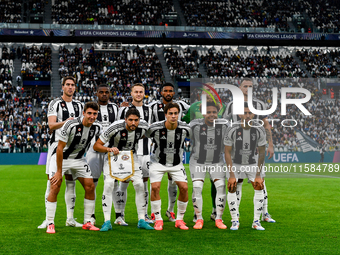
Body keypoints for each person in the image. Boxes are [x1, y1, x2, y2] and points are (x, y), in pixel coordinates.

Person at [222, 78, 275, 223]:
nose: (248, 88)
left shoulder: (259, 104)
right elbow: (224, 125)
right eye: (245, 86)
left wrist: (270, 144)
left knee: (260, 181)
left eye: (251, 86)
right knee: (236, 181)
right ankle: (236, 216)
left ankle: (265, 213)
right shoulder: (231, 105)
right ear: (239, 88)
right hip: (235, 149)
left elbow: (266, 125)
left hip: (254, 149)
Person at [45, 102, 102, 234]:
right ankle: (50, 223)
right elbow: (59, 148)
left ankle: (87, 221)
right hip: (61, 158)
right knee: (55, 185)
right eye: (89, 113)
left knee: (90, 186)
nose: (92, 116)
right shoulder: (70, 125)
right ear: (83, 113)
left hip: (79, 159)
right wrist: (59, 171)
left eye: (95, 113)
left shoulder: (97, 127)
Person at [93, 108, 154, 231]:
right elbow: (96, 145)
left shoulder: (143, 126)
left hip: (131, 157)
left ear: (139, 120)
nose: (133, 123)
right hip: (113, 157)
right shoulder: (115, 127)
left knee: (139, 185)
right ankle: (107, 221)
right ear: (125, 119)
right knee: (109, 185)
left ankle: (141, 219)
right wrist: (109, 149)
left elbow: (150, 134)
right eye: (130, 120)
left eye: (136, 120)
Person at [38, 76, 83, 229]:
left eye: (73, 85)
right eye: (67, 85)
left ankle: (70, 219)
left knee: (71, 183)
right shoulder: (55, 103)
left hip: (74, 148)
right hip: (56, 146)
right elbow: (51, 125)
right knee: (53, 183)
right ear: (62, 87)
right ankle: (48, 219)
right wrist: (67, 122)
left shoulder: (79, 105)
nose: (70, 87)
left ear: (75, 88)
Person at [183, 82, 226, 222]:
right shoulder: (194, 108)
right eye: (207, 90)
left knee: (218, 185)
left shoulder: (223, 111)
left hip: (216, 157)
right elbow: (184, 127)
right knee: (197, 186)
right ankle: (198, 214)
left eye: (213, 90)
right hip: (199, 156)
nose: (210, 92)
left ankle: (216, 211)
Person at [146, 102, 191, 230]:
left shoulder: (185, 128)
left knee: (184, 188)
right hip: (157, 162)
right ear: (165, 114)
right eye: (170, 113)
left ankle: (179, 220)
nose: (173, 116)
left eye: (176, 113)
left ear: (179, 114)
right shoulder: (155, 128)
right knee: (155, 187)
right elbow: (144, 135)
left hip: (176, 163)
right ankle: (158, 219)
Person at [224, 103, 266, 231]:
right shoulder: (232, 129)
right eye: (245, 113)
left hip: (252, 163)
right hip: (236, 164)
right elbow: (227, 152)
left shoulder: (259, 129)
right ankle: (234, 220)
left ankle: (256, 221)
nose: (248, 115)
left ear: (254, 114)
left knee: (259, 187)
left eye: (250, 113)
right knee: (232, 188)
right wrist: (231, 175)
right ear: (239, 114)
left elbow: (262, 152)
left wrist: (258, 175)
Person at [190, 101, 228, 229]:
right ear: (203, 113)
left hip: (216, 161)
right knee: (197, 187)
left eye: (214, 112)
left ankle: (219, 218)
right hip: (198, 161)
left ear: (218, 113)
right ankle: (199, 219)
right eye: (208, 112)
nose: (211, 115)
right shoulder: (194, 125)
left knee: (221, 187)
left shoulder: (225, 125)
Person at [118, 83, 153, 223]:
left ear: (144, 93)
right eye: (136, 92)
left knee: (144, 184)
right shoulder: (123, 110)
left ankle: (144, 214)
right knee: (123, 183)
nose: (138, 94)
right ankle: (120, 215)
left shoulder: (149, 110)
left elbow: (150, 129)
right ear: (131, 93)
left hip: (145, 151)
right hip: (127, 152)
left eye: (141, 92)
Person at [86, 84, 119, 225]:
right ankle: (91, 215)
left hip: (110, 151)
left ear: (109, 94)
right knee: (92, 183)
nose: (104, 94)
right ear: (97, 93)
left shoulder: (115, 108)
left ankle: (118, 216)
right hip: (93, 151)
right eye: (101, 92)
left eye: (106, 92)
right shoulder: (92, 109)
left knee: (113, 184)